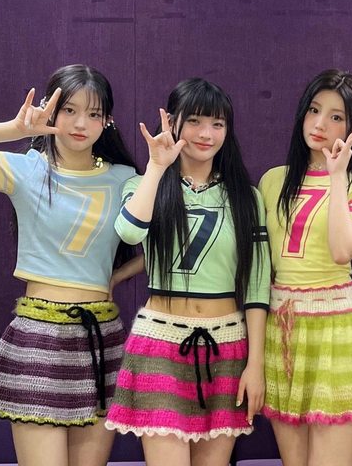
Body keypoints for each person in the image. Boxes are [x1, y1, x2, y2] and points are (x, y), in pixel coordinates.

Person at [105, 78, 270, 466]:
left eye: (217, 123)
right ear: (173, 122)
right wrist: (156, 168)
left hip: (227, 345)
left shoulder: (246, 197)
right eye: (194, 121)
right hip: (161, 342)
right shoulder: (144, 184)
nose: (206, 134)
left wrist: (256, 364)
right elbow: (129, 232)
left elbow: (258, 283)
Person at [0, 64, 137, 466]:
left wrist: (115, 277)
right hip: (39, 337)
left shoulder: (124, 178)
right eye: (69, 110)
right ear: (51, 111)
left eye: (93, 113)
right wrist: (12, 130)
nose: (80, 124)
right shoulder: (27, 168)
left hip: (100, 339)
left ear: (107, 121)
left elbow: (161, 242)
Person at [259, 69, 352, 466]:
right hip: (282, 329)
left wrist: (336, 177)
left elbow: (342, 250)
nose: (319, 124)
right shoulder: (273, 181)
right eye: (314, 110)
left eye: (336, 116)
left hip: (339, 330)